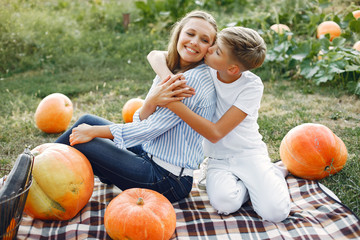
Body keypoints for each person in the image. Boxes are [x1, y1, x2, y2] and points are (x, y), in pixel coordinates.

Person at [55, 10, 218, 203]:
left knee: (85, 137)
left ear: (210, 48)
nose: (194, 42)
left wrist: (94, 132)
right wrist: (150, 102)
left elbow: (147, 129)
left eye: (204, 40)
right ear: (179, 33)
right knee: (85, 122)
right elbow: (144, 119)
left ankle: (35, 167)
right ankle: (91, 169)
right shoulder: (173, 68)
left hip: (168, 179)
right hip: (150, 153)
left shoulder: (189, 82)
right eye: (190, 34)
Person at [146, 26, 291, 222]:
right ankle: (255, 186)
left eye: (216, 50)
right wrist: (168, 81)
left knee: (275, 214)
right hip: (218, 158)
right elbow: (155, 55)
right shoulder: (206, 67)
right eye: (213, 44)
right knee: (225, 205)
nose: (208, 49)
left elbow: (215, 133)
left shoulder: (251, 86)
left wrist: (171, 101)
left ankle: (271, 173)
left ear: (232, 68)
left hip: (249, 154)